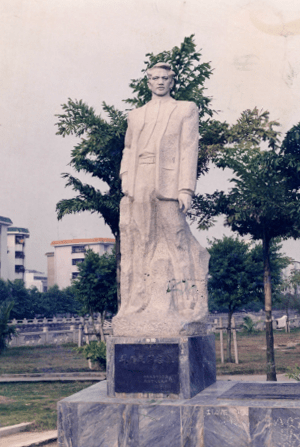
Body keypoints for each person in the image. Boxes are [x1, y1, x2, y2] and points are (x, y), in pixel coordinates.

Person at [112, 63, 209, 336]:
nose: (160, 82)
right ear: (148, 82)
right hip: (139, 181)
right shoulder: (136, 114)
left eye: (165, 78)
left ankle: (187, 302)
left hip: (167, 183)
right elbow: (128, 148)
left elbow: (189, 148)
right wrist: (126, 178)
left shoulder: (185, 109)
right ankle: (139, 303)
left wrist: (186, 189)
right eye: (155, 78)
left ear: (172, 81)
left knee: (177, 239)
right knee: (141, 242)